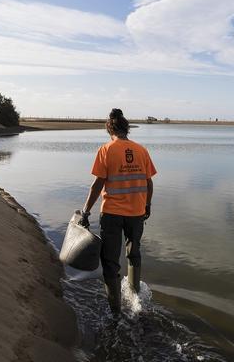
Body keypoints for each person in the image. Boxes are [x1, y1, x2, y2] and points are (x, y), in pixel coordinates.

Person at [79, 108, 157, 315]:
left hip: (112, 214)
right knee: (134, 254)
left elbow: (97, 185)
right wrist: (147, 205)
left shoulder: (106, 150)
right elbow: (149, 184)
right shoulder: (142, 151)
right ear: (126, 129)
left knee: (110, 263)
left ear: (109, 129)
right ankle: (135, 298)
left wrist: (85, 212)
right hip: (137, 213)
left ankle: (115, 311)